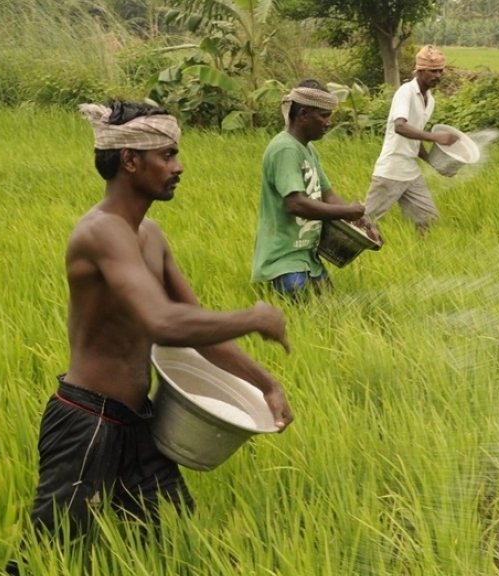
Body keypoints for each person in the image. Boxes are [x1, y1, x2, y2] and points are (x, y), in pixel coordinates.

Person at [23, 100, 295, 546]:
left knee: (165, 541)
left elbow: (197, 329)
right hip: (87, 422)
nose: (179, 166)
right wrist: (252, 317)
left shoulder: (150, 236)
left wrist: (265, 383)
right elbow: (163, 322)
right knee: (55, 552)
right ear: (130, 160)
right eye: (167, 155)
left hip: (138, 421)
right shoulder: (102, 232)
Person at [251, 79, 380, 298]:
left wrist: (363, 224)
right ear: (303, 115)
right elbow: (296, 204)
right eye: (324, 116)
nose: (328, 123)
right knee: (305, 311)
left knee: (330, 312)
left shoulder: (307, 149)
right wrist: (349, 212)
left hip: (307, 255)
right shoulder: (285, 149)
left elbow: (328, 195)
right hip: (283, 258)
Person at [363, 45, 459, 235]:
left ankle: (424, 257)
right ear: (420, 71)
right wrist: (436, 137)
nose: (438, 75)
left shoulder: (430, 99)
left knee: (428, 220)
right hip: (391, 170)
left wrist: (435, 163)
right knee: (364, 221)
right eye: (433, 71)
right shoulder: (405, 92)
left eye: (440, 71)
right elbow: (400, 126)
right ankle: (339, 248)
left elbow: (415, 138)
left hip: (410, 172)